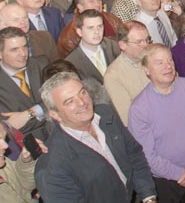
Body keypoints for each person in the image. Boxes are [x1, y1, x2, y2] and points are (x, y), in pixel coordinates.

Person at [36, 72, 158, 203]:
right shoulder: (51, 167)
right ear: (55, 115)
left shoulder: (106, 115)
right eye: (70, 101)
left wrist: (148, 196)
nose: (82, 102)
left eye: (82, 92)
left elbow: (134, 154)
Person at [129, 44, 185, 202]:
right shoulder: (139, 108)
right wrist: (182, 175)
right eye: (160, 62)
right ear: (146, 70)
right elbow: (147, 155)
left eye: (170, 60)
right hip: (165, 182)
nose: (168, 66)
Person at [0, 27, 49, 140]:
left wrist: (29, 114)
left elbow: (63, 99)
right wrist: (49, 109)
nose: (23, 54)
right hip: (32, 147)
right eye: (14, 50)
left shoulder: (42, 64)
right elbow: (12, 128)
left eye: (25, 47)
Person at [65, 9, 121, 84]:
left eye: (100, 26)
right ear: (79, 32)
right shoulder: (72, 63)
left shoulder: (114, 46)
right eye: (90, 28)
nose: (97, 32)